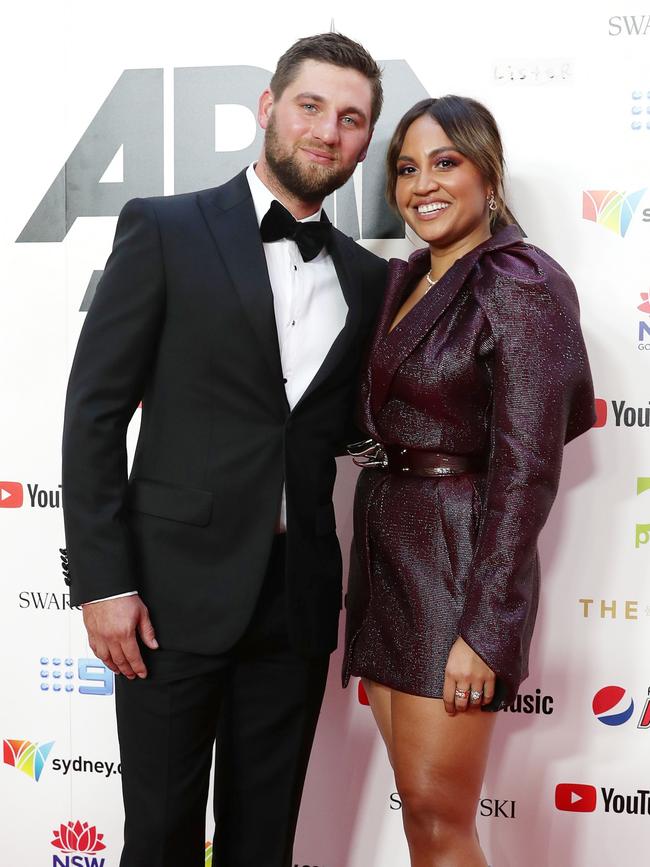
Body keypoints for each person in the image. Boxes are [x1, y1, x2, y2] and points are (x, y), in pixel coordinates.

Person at [61, 33, 387, 867]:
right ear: (269, 109)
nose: (328, 131)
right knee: (162, 838)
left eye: (352, 119)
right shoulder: (165, 228)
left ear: (365, 140)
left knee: (264, 840)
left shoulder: (366, 277)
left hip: (296, 602)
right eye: (311, 106)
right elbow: (94, 412)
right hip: (169, 598)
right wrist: (104, 582)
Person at [343, 96, 595, 866]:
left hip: (457, 563)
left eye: (445, 162)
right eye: (407, 168)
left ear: (489, 172)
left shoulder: (519, 281)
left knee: (439, 813)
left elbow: (526, 472)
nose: (423, 183)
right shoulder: (409, 276)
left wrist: (485, 629)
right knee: (421, 809)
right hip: (391, 552)